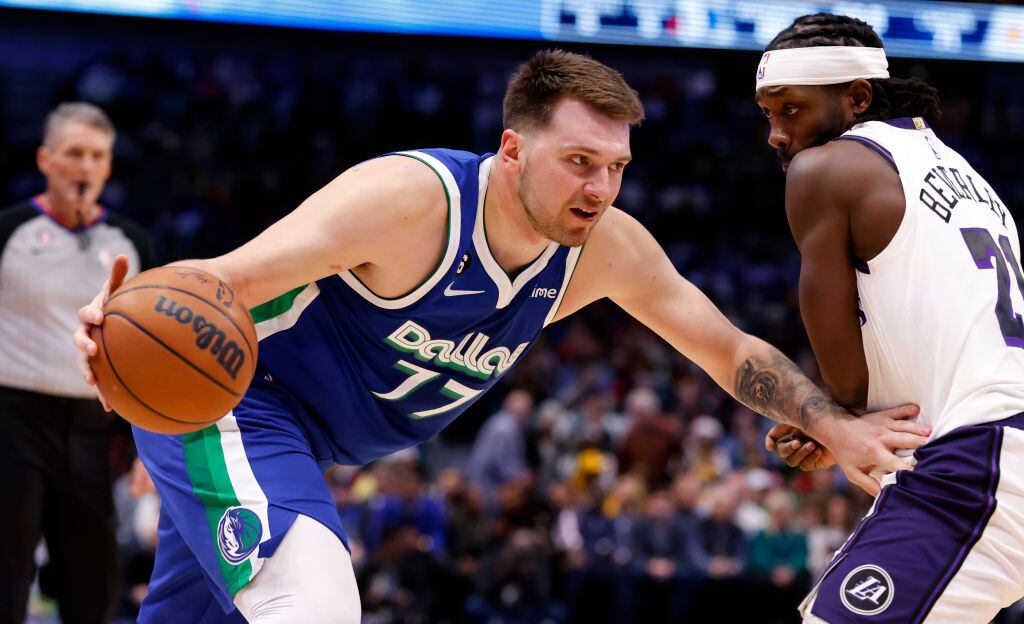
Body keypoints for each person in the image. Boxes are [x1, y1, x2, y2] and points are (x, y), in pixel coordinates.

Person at [73, 50, 928, 623]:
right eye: (579, 162)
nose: (601, 188)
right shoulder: (409, 202)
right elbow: (221, 281)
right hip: (233, 402)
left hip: (308, 442)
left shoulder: (605, 248)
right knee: (316, 603)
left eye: (617, 168)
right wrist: (114, 328)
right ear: (513, 150)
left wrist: (835, 424)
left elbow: (728, 349)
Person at [755, 13, 1024, 623]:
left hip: (981, 461)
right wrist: (838, 424)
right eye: (767, 113)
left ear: (857, 97)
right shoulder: (968, 176)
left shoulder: (824, 170)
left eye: (791, 109)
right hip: (993, 447)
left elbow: (847, 385)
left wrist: (831, 418)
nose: (775, 133)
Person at [0, 102, 155, 624]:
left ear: (108, 166)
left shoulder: (132, 244)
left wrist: (149, 446)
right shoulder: (9, 231)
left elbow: (156, 352)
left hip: (96, 427)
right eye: (73, 153)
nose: (84, 166)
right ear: (45, 159)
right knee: (7, 575)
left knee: (93, 586)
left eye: (96, 155)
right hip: (12, 420)